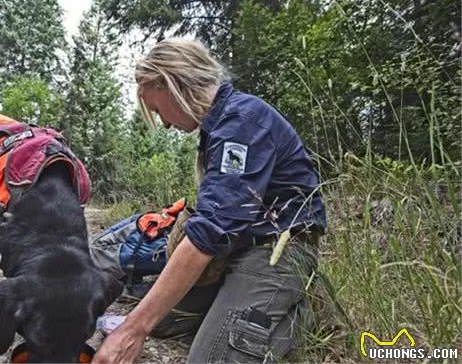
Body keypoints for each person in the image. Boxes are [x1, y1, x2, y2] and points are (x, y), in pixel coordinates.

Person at [92, 38, 327, 364]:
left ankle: (295, 315)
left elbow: (210, 232)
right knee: (163, 315)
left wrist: (134, 330)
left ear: (172, 83)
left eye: (158, 109)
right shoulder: (217, 127)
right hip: (240, 247)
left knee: (208, 356)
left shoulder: (241, 122)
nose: (164, 123)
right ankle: (252, 308)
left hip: (279, 249)